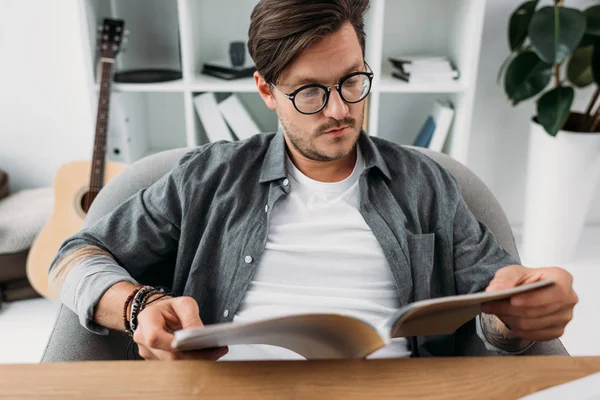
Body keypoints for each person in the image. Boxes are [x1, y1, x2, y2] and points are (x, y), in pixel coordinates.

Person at [48, 0, 578, 361]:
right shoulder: (209, 177)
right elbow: (74, 256)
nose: (340, 110)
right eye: (310, 92)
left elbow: (496, 310)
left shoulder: (425, 184)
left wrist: (521, 311)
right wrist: (139, 305)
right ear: (266, 89)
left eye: (352, 80)